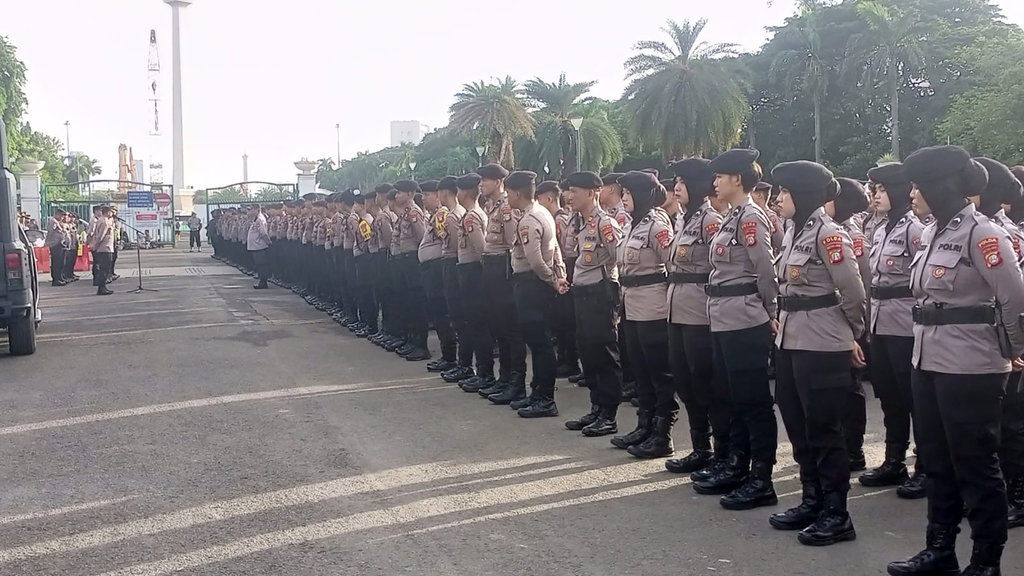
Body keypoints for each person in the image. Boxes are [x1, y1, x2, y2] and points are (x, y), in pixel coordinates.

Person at [887, 145, 1024, 576]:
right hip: (927, 360)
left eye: (917, 185)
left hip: (972, 367)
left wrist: (1015, 350)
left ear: (940, 185)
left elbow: (1014, 298)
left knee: (977, 464)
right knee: (937, 459)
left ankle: (986, 560)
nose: (911, 193)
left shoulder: (983, 234)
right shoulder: (931, 233)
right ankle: (940, 549)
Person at [767, 161, 866, 546]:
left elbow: (855, 293)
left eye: (786, 192)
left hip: (823, 343)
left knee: (825, 428)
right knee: (796, 422)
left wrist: (849, 333)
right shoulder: (794, 232)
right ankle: (812, 499)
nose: (779, 199)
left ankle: (837, 513)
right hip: (791, 341)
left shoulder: (829, 235)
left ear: (804, 194)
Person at [693, 148, 780, 512]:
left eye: (720, 177)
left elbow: (765, 271)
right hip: (724, 316)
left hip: (745, 318)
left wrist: (771, 310)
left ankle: (761, 478)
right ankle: (737, 465)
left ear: (737, 180)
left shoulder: (751, 219)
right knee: (732, 396)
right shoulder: (731, 218)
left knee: (753, 401)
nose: (715, 182)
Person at [860, 162, 927, 499]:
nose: (875, 196)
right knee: (889, 395)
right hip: (882, 323)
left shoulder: (915, 230)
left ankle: (925, 465)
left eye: (882, 190)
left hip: (905, 325)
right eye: (875, 190)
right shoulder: (882, 229)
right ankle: (893, 460)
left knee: (914, 397)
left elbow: (924, 283)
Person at [664, 158, 731, 474]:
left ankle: (720, 451)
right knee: (684, 380)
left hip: (700, 314)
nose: (676, 188)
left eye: (682, 182)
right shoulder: (682, 220)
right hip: (677, 310)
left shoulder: (710, 222)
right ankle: (699, 446)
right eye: (676, 181)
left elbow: (718, 269)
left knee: (706, 383)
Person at [609, 171, 676, 459]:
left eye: (627, 193)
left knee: (659, 372)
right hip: (632, 306)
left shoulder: (656, 224)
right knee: (641, 371)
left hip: (653, 306)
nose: (623, 199)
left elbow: (672, 264)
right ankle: (644, 426)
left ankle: (663, 433)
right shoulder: (633, 226)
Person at [563, 172, 625, 436]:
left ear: (592, 193)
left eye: (574, 191)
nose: (568, 196)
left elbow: (618, 258)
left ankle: (608, 414)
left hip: (600, 295)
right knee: (587, 353)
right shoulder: (581, 222)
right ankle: (596, 408)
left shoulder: (604, 223)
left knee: (604, 354)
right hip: (582, 294)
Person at [506, 170, 567, 417]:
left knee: (539, 344)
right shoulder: (544, 213)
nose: (507, 197)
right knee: (540, 343)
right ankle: (538, 393)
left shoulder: (530, 220)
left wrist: (553, 281)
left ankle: (545, 398)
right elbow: (556, 251)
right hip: (538, 285)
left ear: (517, 193)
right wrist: (559, 275)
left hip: (532, 286)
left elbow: (537, 262)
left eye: (508, 193)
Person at [826, 178, 872, 473]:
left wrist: (855, 332)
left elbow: (860, 286)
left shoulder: (850, 235)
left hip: (850, 322)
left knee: (850, 388)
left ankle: (853, 449)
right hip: (833, 321)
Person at [89, 206, 115, 296]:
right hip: (105, 248)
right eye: (111, 212)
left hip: (106, 247)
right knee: (104, 269)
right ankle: (101, 287)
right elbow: (101, 236)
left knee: (105, 268)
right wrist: (95, 246)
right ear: (107, 212)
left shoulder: (103, 220)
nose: (112, 213)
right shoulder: (104, 221)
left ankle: (103, 287)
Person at [246, 204, 272, 289]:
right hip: (255, 246)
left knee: (262, 265)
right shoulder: (256, 219)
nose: (250, 211)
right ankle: (262, 281)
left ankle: (263, 282)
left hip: (259, 246)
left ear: (257, 209)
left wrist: (268, 242)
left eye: (251, 209)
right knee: (259, 265)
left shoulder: (260, 219)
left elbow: (263, 233)